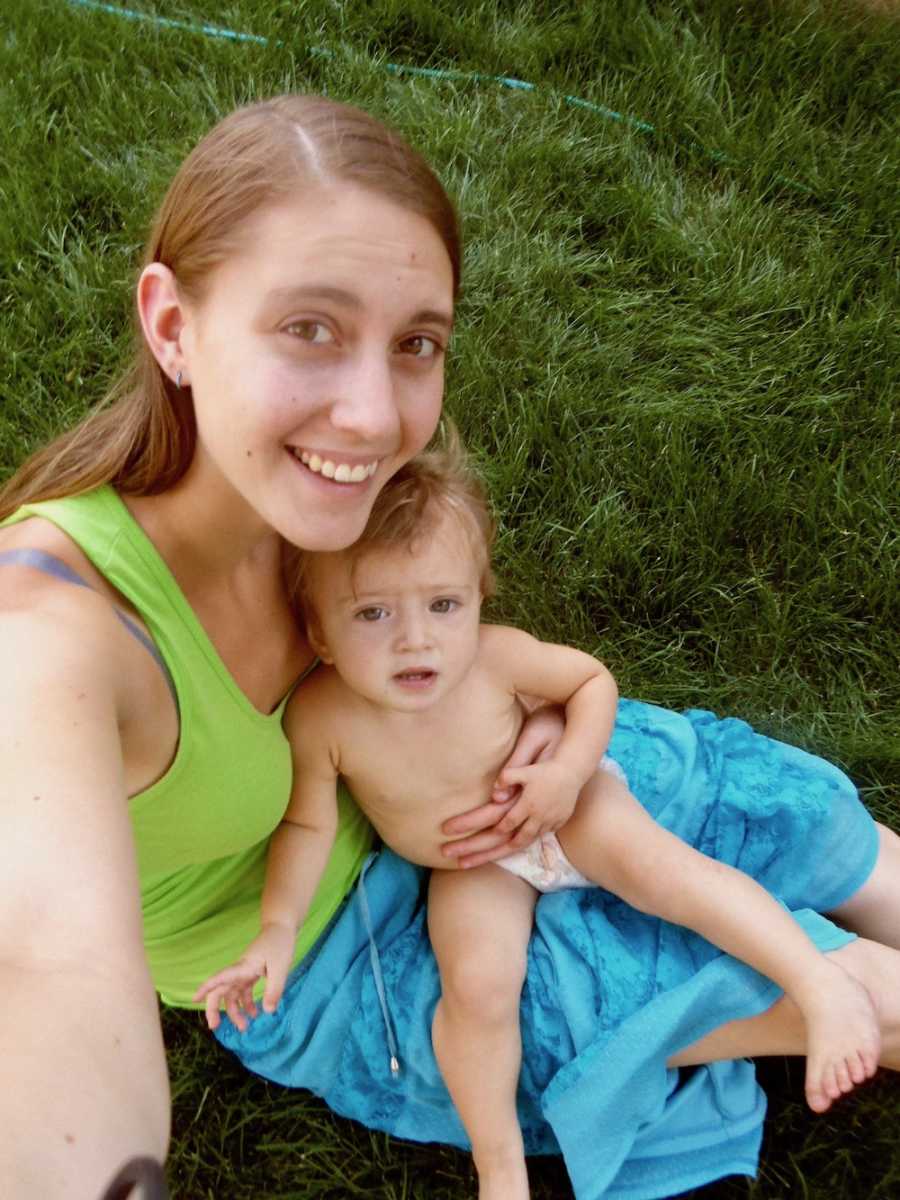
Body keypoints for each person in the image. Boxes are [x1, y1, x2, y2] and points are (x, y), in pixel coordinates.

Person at [1, 93, 899, 1200]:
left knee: (820, 840)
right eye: (310, 328)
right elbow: (38, 963)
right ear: (173, 326)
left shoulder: (328, 516)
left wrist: (558, 750)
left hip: (493, 758)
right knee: (835, 987)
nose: (376, 418)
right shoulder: (45, 638)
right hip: (353, 952)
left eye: (416, 343)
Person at [195, 443, 883, 1199]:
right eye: (373, 613)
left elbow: (592, 681)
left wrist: (566, 773)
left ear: (479, 598)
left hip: (564, 810)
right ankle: (500, 1168)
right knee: (478, 985)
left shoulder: (496, 658)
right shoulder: (323, 718)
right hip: (468, 864)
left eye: (444, 604)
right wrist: (276, 931)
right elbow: (307, 830)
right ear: (319, 633)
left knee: (670, 877)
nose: (415, 638)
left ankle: (816, 983)